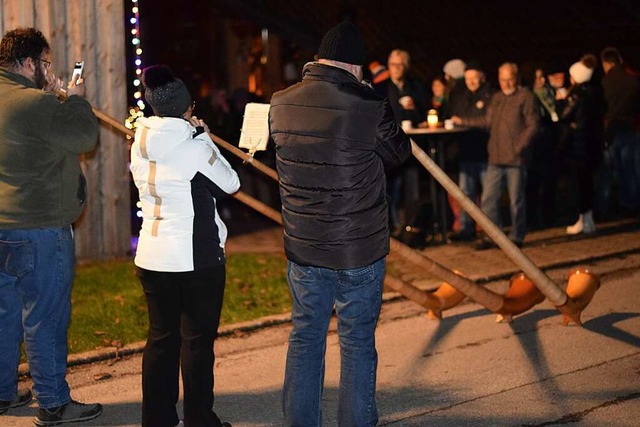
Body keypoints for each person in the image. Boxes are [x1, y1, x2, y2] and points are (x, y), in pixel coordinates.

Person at [269, 20, 412, 426]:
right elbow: (399, 153)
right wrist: (370, 96)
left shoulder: (280, 102)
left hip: (304, 245)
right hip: (358, 247)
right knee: (357, 342)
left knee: (305, 338)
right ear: (354, 67)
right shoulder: (367, 106)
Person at [0, 27, 103, 425]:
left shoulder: (21, 101)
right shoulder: (36, 106)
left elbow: (27, 135)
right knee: (45, 315)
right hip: (39, 227)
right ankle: (54, 403)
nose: (49, 70)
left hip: (3, 223)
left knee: (5, 313)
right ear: (28, 63)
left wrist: (50, 98)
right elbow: (84, 135)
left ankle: (4, 392)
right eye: (45, 63)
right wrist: (75, 101)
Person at [130, 65, 239, 427]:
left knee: (161, 340)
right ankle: (198, 419)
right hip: (194, 256)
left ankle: (157, 419)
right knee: (196, 342)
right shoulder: (190, 145)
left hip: (152, 252)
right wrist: (204, 138)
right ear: (186, 109)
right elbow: (230, 183)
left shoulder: (140, 140)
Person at [452, 62, 539, 249]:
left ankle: (517, 236)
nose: (506, 84)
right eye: (502, 80)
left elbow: (533, 125)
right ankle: (495, 236)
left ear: (516, 79)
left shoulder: (525, 97)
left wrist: (519, 146)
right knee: (488, 200)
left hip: (516, 159)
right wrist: (463, 121)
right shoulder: (498, 97)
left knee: (516, 200)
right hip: (495, 157)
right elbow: (487, 121)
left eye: (509, 80)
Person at [374, 49, 427, 241]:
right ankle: (389, 229)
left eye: (400, 65)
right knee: (388, 191)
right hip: (388, 150)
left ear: (406, 66)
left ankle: (410, 228)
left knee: (412, 191)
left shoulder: (417, 87)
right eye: (393, 65)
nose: (396, 69)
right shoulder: (380, 89)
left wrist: (414, 109)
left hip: (412, 149)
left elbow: (425, 115)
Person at [447, 61, 494, 241]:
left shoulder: (490, 95)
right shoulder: (461, 96)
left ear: (481, 78)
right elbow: (454, 114)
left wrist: (463, 121)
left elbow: (485, 120)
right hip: (466, 152)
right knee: (466, 194)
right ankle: (466, 228)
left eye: (474, 78)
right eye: (468, 78)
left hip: (484, 151)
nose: (471, 82)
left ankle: (488, 230)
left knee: (488, 195)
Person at [559, 59, 604, 235]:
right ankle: (588, 220)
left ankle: (582, 220)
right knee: (587, 184)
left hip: (578, 147)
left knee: (578, 186)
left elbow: (564, 116)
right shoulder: (594, 93)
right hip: (591, 145)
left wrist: (560, 102)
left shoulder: (575, 95)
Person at [599, 47, 640, 213]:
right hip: (630, 127)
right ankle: (632, 202)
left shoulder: (604, 83)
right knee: (630, 169)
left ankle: (605, 204)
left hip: (610, 129)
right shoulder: (633, 80)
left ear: (606, 64)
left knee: (608, 169)